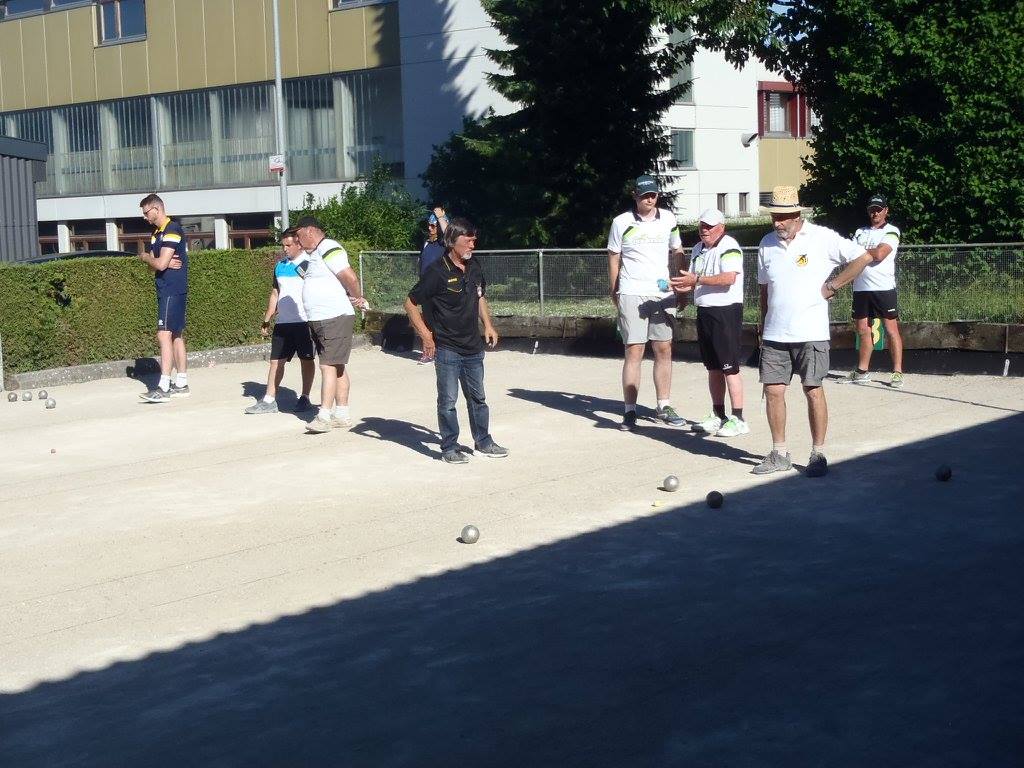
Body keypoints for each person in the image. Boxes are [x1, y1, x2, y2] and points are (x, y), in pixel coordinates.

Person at [754, 185, 874, 477]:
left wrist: (833, 285)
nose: (777, 223)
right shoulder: (766, 243)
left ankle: (818, 453)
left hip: (811, 332)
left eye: (782, 217)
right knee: (773, 391)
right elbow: (764, 289)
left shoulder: (822, 237)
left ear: (797, 216)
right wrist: (762, 324)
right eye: (774, 217)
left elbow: (863, 257)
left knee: (813, 390)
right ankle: (779, 453)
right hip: (775, 333)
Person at [404, 217, 508, 464]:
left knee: (478, 399)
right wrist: (426, 336)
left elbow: (480, 296)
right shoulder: (436, 272)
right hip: (447, 348)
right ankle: (449, 447)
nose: (473, 245)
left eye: (474, 240)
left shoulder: (475, 266)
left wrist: (488, 325)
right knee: (448, 402)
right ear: (452, 241)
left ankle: (483, 442)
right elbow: (410, 303)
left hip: (473, 347)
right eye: (468, 240)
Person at [607, 174, 686, 432]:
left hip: (662, 293)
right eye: (644, 195)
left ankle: (664, 406)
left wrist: (680, 284)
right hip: (632, 291)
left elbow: (677, 251)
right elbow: (614, 257)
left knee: (664, 348)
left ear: (657, 195)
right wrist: (614, 289)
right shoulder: (621, 222)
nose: (649, 200)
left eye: (652, 195)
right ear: (635, 196)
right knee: (634, 351)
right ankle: (630, 410)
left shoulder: (669, 219)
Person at [671, 208, 748, 437]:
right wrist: (680, 286)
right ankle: (718, 414)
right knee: (713, 367)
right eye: (702, 226)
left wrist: (696, 280)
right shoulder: (697, 248)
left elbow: (729, 278)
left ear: (721, 228)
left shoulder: (730, 246)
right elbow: (694, 280)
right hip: (704, 310)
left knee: (729, 367)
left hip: (726, 312)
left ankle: (738, 418)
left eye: (709, 226)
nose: (704, 230)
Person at [294, 216, 369, 434]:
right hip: (323, 318)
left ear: (310, 231)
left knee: (327, 366)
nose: (297, 240)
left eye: (299, 235)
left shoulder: (328, 246)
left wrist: (358, 298)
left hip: (333, 317)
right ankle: (342, 415)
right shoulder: (316, 253)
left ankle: (324, 416)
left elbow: (350, 277)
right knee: (336, 366)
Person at [245, 228, 316, 414]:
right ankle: (269, 400)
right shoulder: (280, 266)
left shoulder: (309, 264)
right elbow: (275, 293)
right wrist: (267, 318)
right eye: (283, 245)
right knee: (276, 362)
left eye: (288, 245)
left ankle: (305, 397)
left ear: (299, 244)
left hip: (304, 321)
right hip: (283, 323)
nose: (285, 249)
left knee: (306, 360)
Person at [838, 193, 905, 388]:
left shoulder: (892, 231)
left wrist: (860, 254)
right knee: (862, 330)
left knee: (891, 329)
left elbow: (881, 254)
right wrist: (865, 254)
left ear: (886, 211)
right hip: (861, 288)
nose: (875, 213)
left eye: (878, 209)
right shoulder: (860, 232)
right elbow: (850, 256)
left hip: (883, 288)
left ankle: (897, 372)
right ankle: (862, 371)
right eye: (872, 210)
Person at [138, 194, 189, 403]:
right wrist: (158, 262)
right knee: (175, 335)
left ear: (157, 209)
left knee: (163, 334)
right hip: (164, 288)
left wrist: (146, 257)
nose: (144, 217)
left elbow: (158, 263)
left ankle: (164, 386)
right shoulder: (156, 234)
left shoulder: (172, 229)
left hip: (172, 289)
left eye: (146, 213)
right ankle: (182, 383)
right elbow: (155, 267)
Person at [415, 206, 449, 364]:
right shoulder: (427, 243)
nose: (429, 228)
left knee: (441, 320)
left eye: (433, 226)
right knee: (427, 321)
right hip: (426, 287)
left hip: (441, 288)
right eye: (429, 225)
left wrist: (440, 217)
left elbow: (450, 235)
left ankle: (443, 352)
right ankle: (428, 352)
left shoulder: (444, 244)